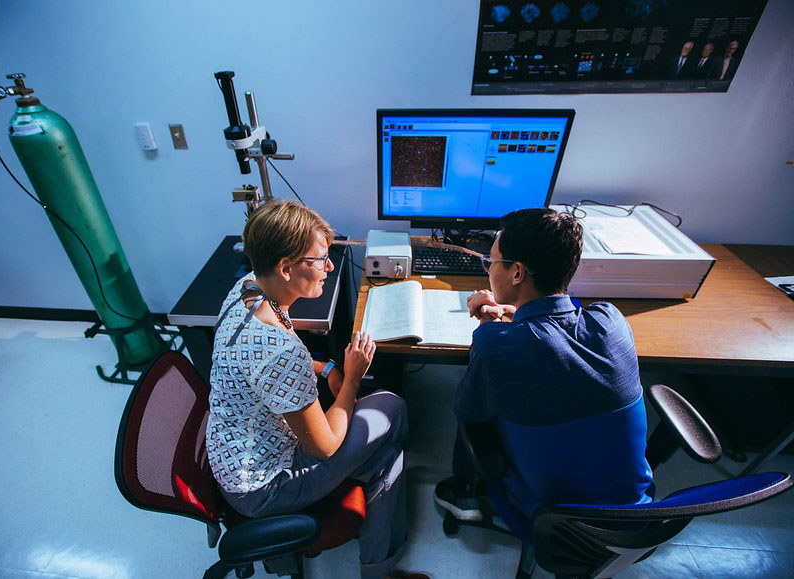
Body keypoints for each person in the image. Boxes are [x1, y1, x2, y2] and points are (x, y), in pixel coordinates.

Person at [206, 199, 425, 579]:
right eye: (320, 259)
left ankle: (379, 562)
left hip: (232, 456)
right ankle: (379, 570)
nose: (328, 268)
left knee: (386, 453)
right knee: (391, 407)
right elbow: (324, 446)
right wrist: (352, 378)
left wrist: (326, 369)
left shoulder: (245, 290)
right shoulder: (280, 351)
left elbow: (264, 359)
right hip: (266, 488)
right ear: (286, 267)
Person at [434, 208, 654, 529]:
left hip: (551, 519)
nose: (488, 270)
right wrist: (523, 313)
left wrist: (487, 327)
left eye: (490, 262)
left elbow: (468, 410)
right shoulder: (612, 321)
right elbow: (567, 319)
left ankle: (463, 489)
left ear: (517, 273)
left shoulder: (495, 344)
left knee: (477, 407)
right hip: (634, 514)